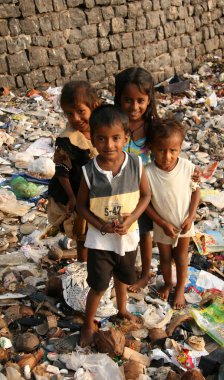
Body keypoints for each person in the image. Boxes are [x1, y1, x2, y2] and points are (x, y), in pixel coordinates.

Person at [76, 104, 151, 346]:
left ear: (126, 138)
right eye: (102, 139)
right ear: (93, 139)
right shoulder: (89, 171)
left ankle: (122, 309)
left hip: (128, 238)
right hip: (100, 241)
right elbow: (81, 207)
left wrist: (130, 221)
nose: (109, 145)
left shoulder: (136, 165)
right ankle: (88, 324)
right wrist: (100, 225)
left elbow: (146, 196)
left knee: (123, 277)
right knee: (98, 285)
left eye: (116, 138)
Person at [145, 118, 200, 309]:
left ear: (180, 148)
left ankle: (179, 290)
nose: (167, 156)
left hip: (184, 223)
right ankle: (169, 283)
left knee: (182, 257)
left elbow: (196, 191)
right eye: (161, 150)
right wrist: (161, 222)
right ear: (151, 147)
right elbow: (145, 204)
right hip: (162, 225)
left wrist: (191, 217)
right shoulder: (148, 173)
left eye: (173, 151)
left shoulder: (188, 168)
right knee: (165, 258)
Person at [114, 67, 159, 292]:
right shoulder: (115, 123)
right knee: (121, 230)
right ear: (118, 99)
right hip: (117, 188)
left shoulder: (151, 128)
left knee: (144, 231)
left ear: (149, 100)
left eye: (140, 100)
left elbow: (165, 154)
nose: (134, 107)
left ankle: (146, 272)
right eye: (128, 100)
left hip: (142, 190)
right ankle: (122, 271)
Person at [47, 81, 99, 262]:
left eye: (81, 111)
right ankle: (83, 266)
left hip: (97, 191)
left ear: (94, 107)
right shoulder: (67, 140)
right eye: (70, 114)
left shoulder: (102, 131)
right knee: (81, 233)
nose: (76, 118)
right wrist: (72, 197)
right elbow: (62, 170)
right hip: (75, 190)